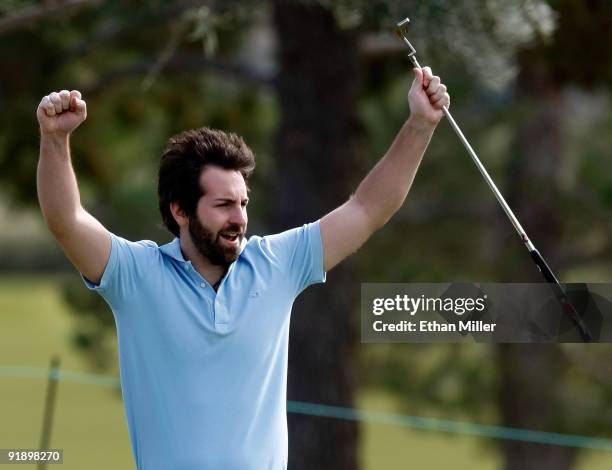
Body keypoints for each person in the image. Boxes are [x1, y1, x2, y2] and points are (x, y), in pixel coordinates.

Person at [36, 67, 449, 469]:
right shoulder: (136, 275)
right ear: (180, 210)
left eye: (243, 204)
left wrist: (420, 125)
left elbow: (367, 208)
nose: (239, 218)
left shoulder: (278, 264)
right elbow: (66, 220)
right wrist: (55, 141)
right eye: (223, 205)